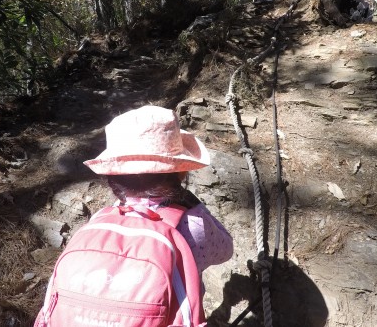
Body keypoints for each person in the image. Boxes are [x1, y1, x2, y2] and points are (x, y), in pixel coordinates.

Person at [35, 105, 233, 326]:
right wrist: (196, 206)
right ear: (182, 172)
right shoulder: (192, 223)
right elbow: (225, 250)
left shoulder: (100, 218)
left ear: (112, 178)